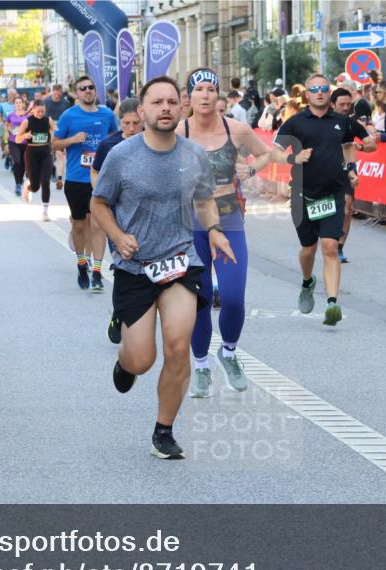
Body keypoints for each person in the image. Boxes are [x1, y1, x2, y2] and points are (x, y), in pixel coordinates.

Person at [91, 75, 234, 460]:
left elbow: (204, 201)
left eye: (172, 101)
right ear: (142, 110)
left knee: (177, 346)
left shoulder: (193, 155)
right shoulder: (121, 155)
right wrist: (118, 237)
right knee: (142, 358)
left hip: (180, 261)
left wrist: (216, 231)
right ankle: (126, 362)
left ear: (181, 106)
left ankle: (164, 430)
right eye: (157, 102)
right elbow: (99, 204)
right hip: (134, 266)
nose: (166, 108)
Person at [180, 67, 286, 397]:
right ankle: (199, 366)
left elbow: (269, 152)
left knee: (234, 297)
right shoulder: (177, 132)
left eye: (212, 89)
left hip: (228, 218)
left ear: (218, 95)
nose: (206, 95)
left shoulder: (236, 130)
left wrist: (252, 167)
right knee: (198, 301)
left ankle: (228, 352)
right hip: (189, 221)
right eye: (200, 90)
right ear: (190, 97)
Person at [274, 73, 374, 326]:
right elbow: (273, 152)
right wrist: (294, 158)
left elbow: (369, 143)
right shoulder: (295, 123)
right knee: (309, 249)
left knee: (329, 246)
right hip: (303, 194)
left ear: (329, 93)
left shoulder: (343, 122)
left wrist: (358, 154)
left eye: (323, 88)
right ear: (306, 95)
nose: (319, 92)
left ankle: (332, 303)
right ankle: (307, 282)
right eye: (314, 89)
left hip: (334, 192)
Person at [52, 75, 119, 292]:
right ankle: (82, 263)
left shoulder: (107, 114)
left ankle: (98, 271)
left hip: (100, 178)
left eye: (91, 87)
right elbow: (54, 144)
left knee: (98, 224)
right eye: (83, 88)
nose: (88, 91)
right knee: (79, 225)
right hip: (76, 179)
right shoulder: (68, 116)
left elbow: (117, 140)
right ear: (76, 93)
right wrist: (71, 140)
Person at [92, 98, 144, 344]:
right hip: (116, 219)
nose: (132, 128)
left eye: (136, 123)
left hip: (146, 220)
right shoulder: (109, 145)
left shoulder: (153, 144)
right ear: (119, 122)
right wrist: (102, 194)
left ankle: (135, 313)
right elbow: (95, 173)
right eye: (127, 123)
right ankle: (119, 315)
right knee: (124, 267)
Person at [330, 87, 376, 264]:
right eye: (341, 104)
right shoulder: (321, 122)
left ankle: (339, 246)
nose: (345, 108)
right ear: (332, 104)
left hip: (347, 169)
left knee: (347, 208)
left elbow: (372, 145)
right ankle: (327, 238)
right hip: (325, 169)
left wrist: (361, 147)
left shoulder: (352, 124)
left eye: (349, 104)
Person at [15, 100, 55, 220]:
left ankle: (45, 211)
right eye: (38, 111)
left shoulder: (48, 120)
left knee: (46, 181)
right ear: (33, 110)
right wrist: (25, 136)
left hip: (46, 154)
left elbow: (55, 133)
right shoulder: (27, 122)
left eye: (43, 111)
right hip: (31, 155)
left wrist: (52, 139)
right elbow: (17, 139)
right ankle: (28, 187)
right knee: (36, 186)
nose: (40, 114)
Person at [5, 97, 29, 196]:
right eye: (16, 103)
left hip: (25, 142)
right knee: (17, 161)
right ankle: (18, 184)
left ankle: (20, 180)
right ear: (14, 105)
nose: (18, 104)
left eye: (20, 102)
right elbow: (6, 124)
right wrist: (10, 130)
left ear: (23, 104)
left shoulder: (27, 115)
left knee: (23, 163)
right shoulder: (10, 115)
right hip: (13, 141)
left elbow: (31, 126)